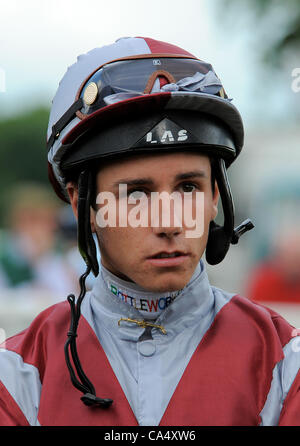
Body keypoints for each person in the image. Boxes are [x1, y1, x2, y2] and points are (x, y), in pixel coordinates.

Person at [0, 36, 299, 427]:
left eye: (188, 187)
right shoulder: (19, 376)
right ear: (80, 204)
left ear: (214, 197)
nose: (169, 222)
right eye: (136, 194)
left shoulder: (285, 363)